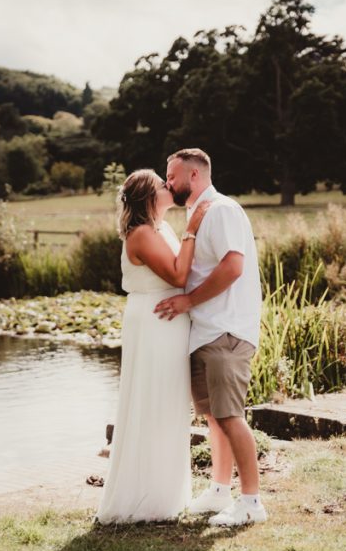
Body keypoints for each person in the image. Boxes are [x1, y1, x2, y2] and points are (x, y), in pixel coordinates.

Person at [154, 148, 266, 527]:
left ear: (195, 176)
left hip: (227, 330)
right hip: (205, 331)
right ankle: (220, 491)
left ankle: (251, 501)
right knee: (214, 418)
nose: (168, 182)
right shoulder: (196, 215)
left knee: (230, 416)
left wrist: (188, 300)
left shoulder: (221, 211)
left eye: (172, 176)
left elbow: (233, 267)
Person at [95, 168, 210, 523]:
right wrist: (193, 228)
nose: (169, 186)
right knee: (151, 400)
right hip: (154, 322)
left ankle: (166, 496)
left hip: (169, 322)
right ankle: (143, 500)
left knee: (168, 402)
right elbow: (177, 276)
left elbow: (184, 273)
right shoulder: (142, 234)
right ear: (149, 196)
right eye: (163, 184)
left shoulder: (161, 228)